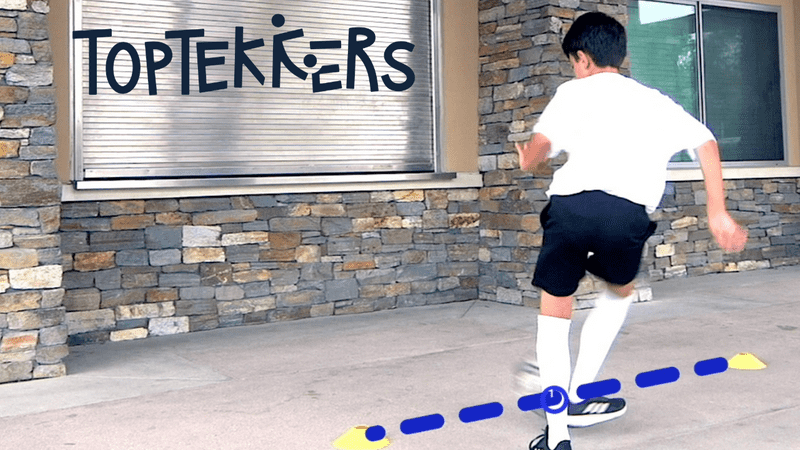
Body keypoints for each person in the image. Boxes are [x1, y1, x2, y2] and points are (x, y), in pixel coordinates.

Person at [513, 11, 749, 450]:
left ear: (581, 58)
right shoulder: (655, 100)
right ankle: (580, 387)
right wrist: (717, 212)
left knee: (555, 310)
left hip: (572, 207)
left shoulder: (572, 92)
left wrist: (528, 156)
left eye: (573, 63)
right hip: (626, 214)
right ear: (621, 55)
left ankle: (558, 434)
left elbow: (540, 151)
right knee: (619, 291)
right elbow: (707, 142)